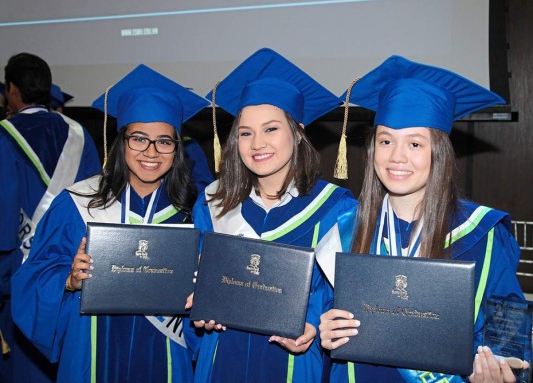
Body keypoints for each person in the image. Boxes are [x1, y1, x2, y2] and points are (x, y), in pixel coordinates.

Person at [319, 55, 526, 383]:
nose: (396, 156)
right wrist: (326, 329)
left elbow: (509, 330)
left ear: (439, 153)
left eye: (415, 143)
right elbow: (327, 315)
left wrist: (496, 367)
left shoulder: (482, 234)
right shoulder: (347, 229)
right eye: (386, 140)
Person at [11, 64, 210, 382]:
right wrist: (69, 281)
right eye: (139, 139)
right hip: (91, 357)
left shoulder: (195, 215)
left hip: (167, 360)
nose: (151, 152)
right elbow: (31, 282)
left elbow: (208, 317)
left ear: (177, 149)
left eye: (164, 141)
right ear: (122, 141)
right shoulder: (78, 204)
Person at [190, 48, 358, 383]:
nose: (257, 143)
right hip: (223, 356)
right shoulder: (212, 204)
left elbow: (348, 296)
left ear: (297, 132)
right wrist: (200, 304)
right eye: (246, 132)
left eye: (270, 129)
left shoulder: (336, 209)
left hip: (294, 362)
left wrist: (311, 320)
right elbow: (196, 277)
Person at [0, 53, 101, 383]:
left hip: (18, 271)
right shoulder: (80, 135)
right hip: (73, 269)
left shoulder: (4, 136)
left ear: (12, 89)